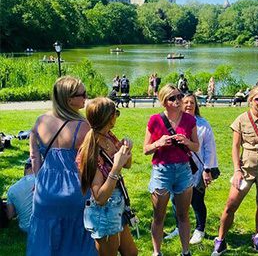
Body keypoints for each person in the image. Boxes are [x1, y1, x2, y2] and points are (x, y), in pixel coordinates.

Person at [27, 76, 96, 256]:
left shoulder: (40, 122)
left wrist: (39, 180)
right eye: (82, 94)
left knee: (45, 243)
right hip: (76, 191)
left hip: (45, 192)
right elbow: (91, 163)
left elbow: (34, 157)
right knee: (77, 245)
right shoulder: (84, 126)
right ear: (68, 99)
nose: (86, 97)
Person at [212, 86, 258, 255]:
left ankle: (257, 236)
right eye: (257, 99)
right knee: (231, 204)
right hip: (246, 168)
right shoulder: (242, 119)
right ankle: (221, 239)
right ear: (250, 100)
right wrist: (237, 170)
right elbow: (235, 147)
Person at [143, 84, 199, 256]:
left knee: (183, 214)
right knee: (158, 216)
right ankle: (156, 252)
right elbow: (145, 149)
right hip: (162, 171)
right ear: (164, 102)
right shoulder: (155, 120)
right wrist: (158, 143)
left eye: (179, 96)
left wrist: (186, 142)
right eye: (172, 98)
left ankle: (185, 251)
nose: (178, 100)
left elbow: (196, 147)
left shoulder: (190, 120)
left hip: (183, 170)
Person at [78, 97, 138, 256]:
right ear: (108, 118)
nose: (117, 116)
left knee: (131, 252)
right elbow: (100, 197)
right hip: (104, 212)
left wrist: (126, 151)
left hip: (118, 204)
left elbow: (127, 164)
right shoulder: (91, 151)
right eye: (116, 113)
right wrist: (116, 167)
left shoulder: (109, 136)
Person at [165, 93, 219, 244]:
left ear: (196, 106)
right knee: (175, 199)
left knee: (196, 200)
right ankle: (178, 227)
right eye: (186, 102)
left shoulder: (203, 124)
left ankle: (199, 229)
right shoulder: (175, 123)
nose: (188, 105)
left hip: (197, 170)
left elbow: (209, 149)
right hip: (177, 169)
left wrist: (207, 169)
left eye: (192, 103)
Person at [6, 158, 35, 233]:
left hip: (25, 228)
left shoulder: (12, 189)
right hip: (45, 226)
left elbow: (10, 215)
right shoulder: (44, 182)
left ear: (26, 168)